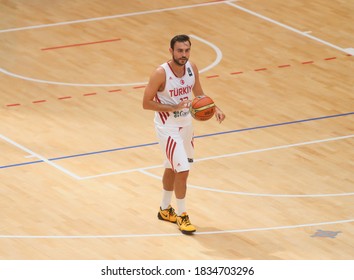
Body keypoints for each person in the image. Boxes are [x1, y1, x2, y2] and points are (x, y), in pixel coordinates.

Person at [142, 34, 225, 234]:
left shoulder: (192, 68)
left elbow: (200, 94)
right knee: (183, 170)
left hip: (186, 125)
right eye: (180, 50)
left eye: (187, 50)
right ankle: (182, 215)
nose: (184, 54)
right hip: (167, 127)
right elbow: (146, 103)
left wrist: (215, 108)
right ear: (171, 51)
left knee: (172, 167)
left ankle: (164, 209)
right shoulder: (160, 73)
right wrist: (173, 107)